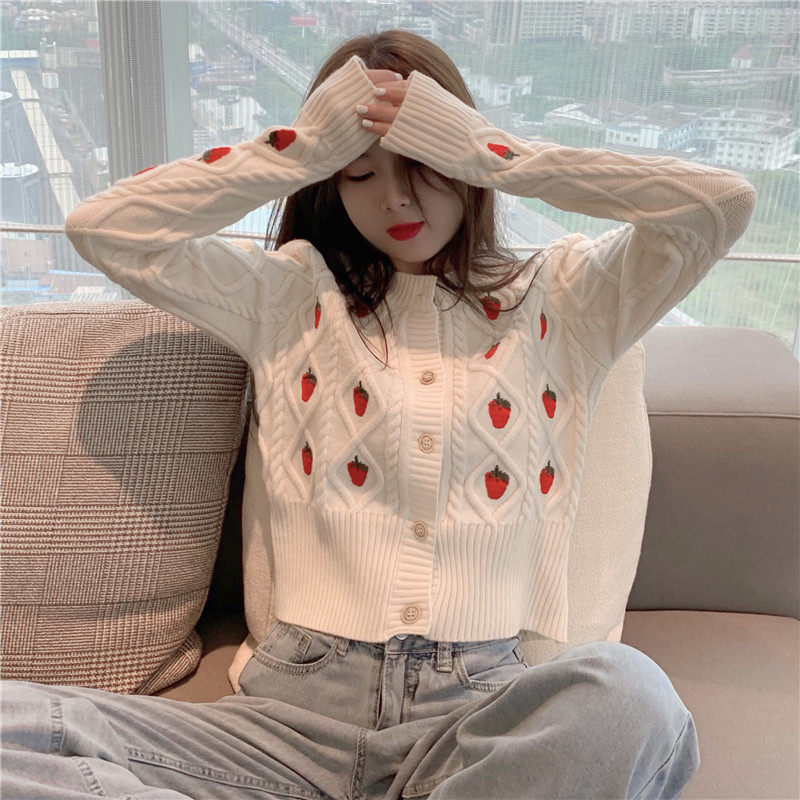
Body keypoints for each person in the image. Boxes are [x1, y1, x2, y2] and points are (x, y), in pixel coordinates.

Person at [2, 29, 755, 800]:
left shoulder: (565, 299)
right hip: (291, 721)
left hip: (477, 722)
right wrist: (302, 148)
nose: (393, 198)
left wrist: (494, 152)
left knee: (631, 696)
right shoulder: (289, 297)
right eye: (359, 173)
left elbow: (719, 206)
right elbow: (106, 227)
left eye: (424, 164)